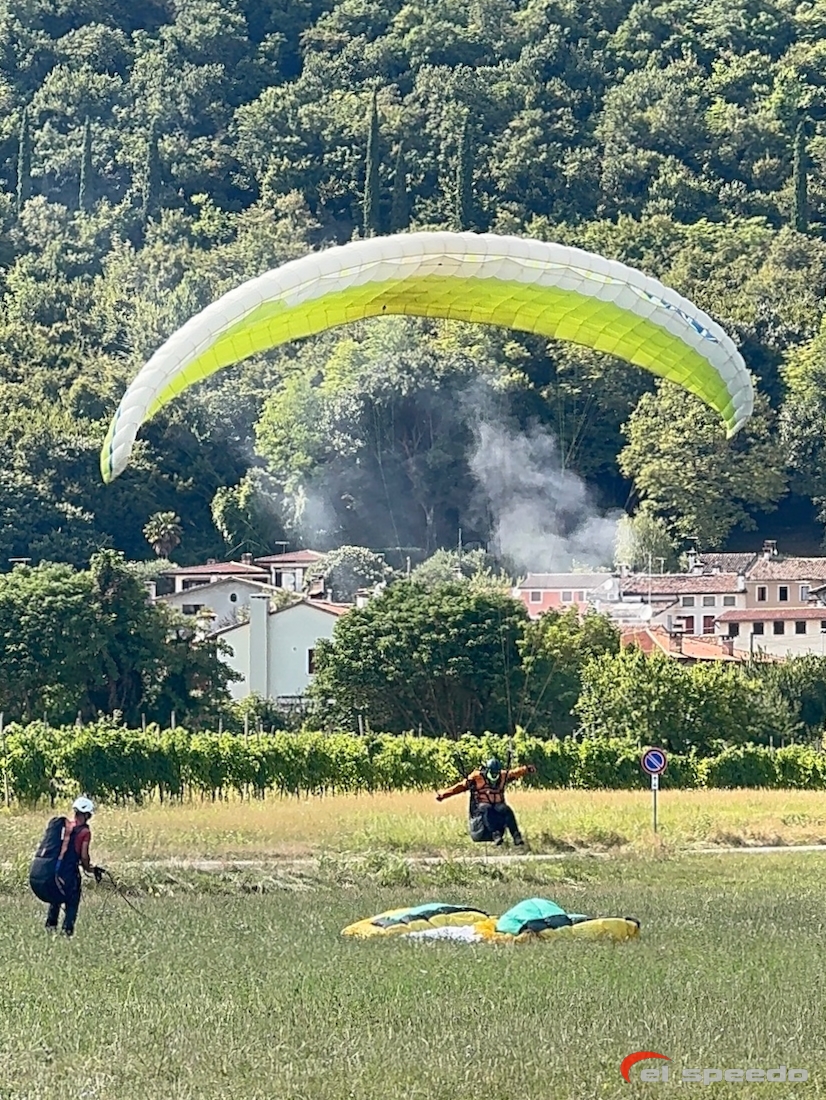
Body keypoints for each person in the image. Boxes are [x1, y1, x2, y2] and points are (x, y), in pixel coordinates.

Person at [29, 796, 103, 937]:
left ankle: (50, 927)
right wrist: (91, 869)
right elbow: (84, 856)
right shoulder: (85, 832)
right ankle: (67, 932)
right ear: (87, 815)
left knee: (57, 894)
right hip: (67, 873)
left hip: (51, 873)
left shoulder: (66, 828)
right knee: (73, 898)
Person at [435, 758, 536, 846]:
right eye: (492, 773)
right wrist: (444, 795)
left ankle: (516, 836)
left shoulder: (503, 776)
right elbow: (460, 787)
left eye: (496, 773)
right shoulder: (477, 777)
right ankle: (495, 834)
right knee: (487, 808)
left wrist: (526, 769)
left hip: (497, 806)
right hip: (482, 808)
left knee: (506, 809)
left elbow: (515, 773)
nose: (494, 775)